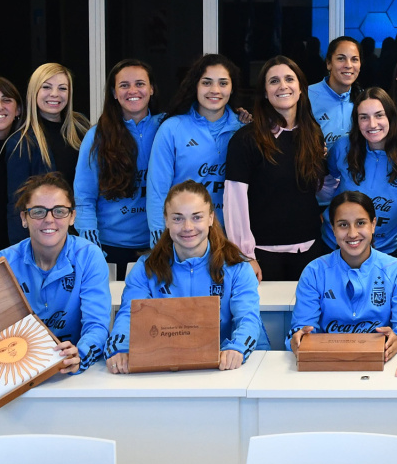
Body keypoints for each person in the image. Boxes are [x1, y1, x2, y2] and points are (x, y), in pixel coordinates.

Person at [105, 180, 267, 373]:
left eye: (197, 217)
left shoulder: (237, 266)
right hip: (170, 364)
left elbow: (248, 318)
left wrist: (236, 348)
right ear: (166, 220)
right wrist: (120, 349)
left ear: (211, 218)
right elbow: (128, 316)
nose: (188, 227)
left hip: (228, 365)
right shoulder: (146, 268)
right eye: (178, 218)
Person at [224, 56, 328, 282]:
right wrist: (245, 255)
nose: (283, 86)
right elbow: (234, 202)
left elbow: (318, 192)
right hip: (262, 256)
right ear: (264, 92)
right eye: (274, 81)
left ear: (301, 89)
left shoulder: (313, 134)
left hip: (310, 252)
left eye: (289, 79)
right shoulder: (245, 140)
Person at [287, 191, 397, 362]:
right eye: (343, 225)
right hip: (329, 362)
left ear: (373, 224)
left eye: (360, 223)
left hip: (384, 362)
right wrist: (299, 338)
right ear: (332, 228)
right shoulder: (314, 272)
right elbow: (303, 327)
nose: (352, 233)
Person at [0, 173, 110, 373]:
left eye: (59, 211)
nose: (49, 220)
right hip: (16, 370)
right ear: (24, 218)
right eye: (38, 212)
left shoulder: (89, 257)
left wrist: (80, 355)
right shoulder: (4, 263)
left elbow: (97, 326)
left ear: (72, 217)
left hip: (71, 372)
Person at [324, 87, 397, 256]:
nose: (372, 124)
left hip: (383, 251)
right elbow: (326, 180)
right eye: (364, 117)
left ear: (391, 117)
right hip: (334, 245)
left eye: (379, 115)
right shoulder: (343, 147)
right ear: (357, 121)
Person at [74, 60, 163, 275]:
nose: (133, 91)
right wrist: (92, 249)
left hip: (157, 246)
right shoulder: (97, 136)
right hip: (109, 248)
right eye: (124, 85)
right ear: (114, 93)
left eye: (140, 84)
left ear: (151, 89)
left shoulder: (167, 128)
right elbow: (84, 196)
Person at [147, 54, 244, 244]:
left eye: (223, 83)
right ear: (195, 86)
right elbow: (157, 191)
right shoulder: (172, 129)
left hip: (231, 239)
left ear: (232, 89)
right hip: (183, 236)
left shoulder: (244, 130)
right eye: (206, 82)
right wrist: (160, 240)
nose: (215, 90)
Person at [6, 63, 89, 244]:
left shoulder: (83, 130)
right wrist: (22, 255)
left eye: (62, 88)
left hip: (81, 235)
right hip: (45, 239)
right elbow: (16, 206)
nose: (54, 94)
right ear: (34, 91)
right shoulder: (20, 143)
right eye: (46, 87)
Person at [309, 36, 362, 150]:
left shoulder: (364, 99)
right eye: (341, 58)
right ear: (329, 63)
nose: (348, 65)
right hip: (316, 166)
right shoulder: (307, 95)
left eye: (354, 59)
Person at [0, 76, 24, 250]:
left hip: (15, 245)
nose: (0, 107)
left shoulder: (26, 148)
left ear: (18, 110)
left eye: (6, 100)